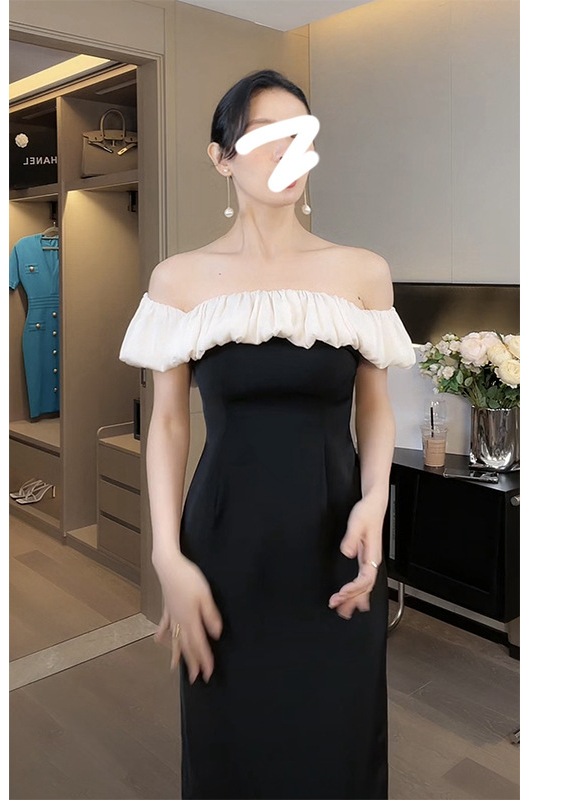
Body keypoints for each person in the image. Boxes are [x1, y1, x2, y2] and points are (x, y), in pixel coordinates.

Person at [119, 69, 416, 799]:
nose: (288, 149)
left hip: (336, 545)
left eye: (300, 133)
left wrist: (376, 498)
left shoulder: (361, 273)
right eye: (265, 135)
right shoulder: (179, 280)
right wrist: (166, 554)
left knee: (339, 744)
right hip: (226, 549)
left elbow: (375, 408)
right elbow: (168, 423)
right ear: (221, 158)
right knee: (232, 750)